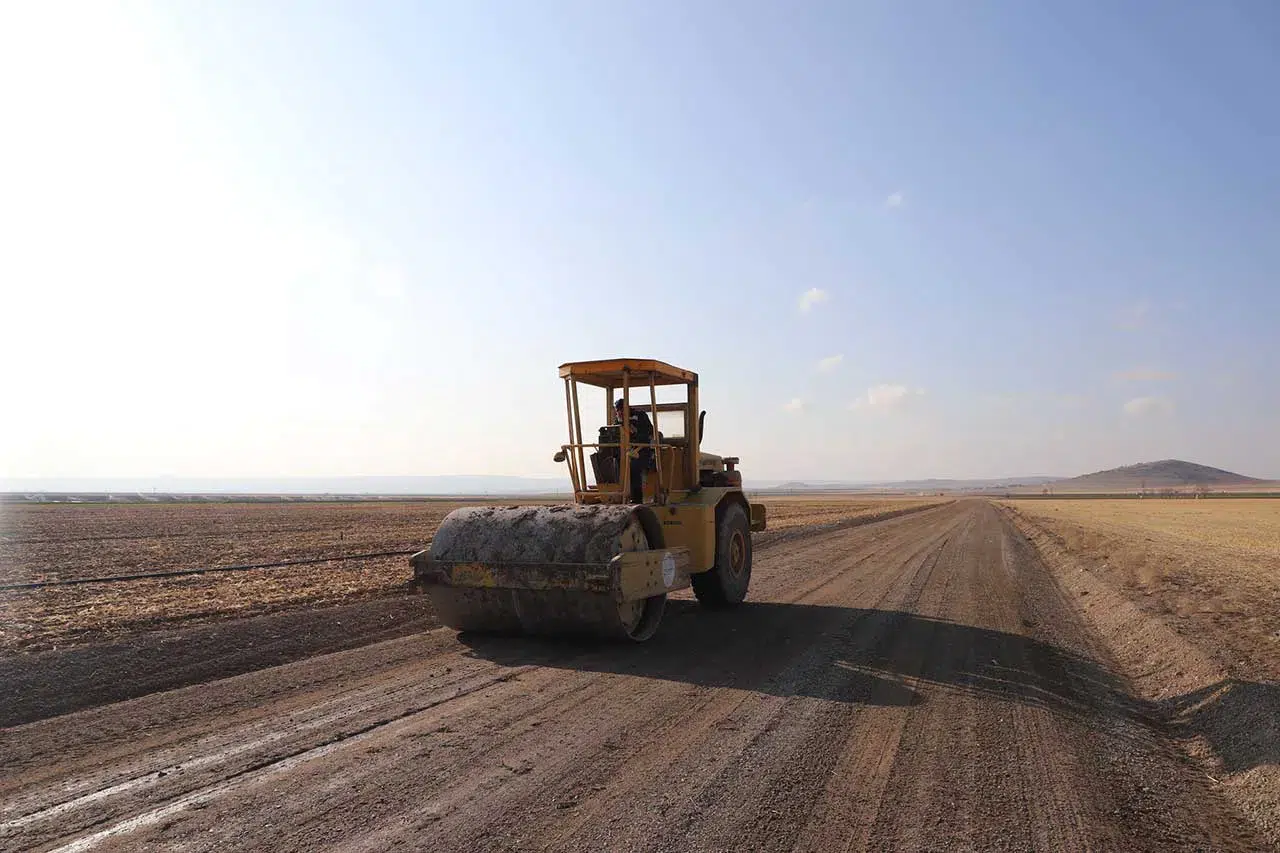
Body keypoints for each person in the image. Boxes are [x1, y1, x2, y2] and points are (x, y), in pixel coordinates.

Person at [615, 398, 654, 503]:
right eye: (618, 410)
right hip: (626, 451)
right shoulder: (618, 420)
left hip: (642, 450)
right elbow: (615, 434)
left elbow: (649, 433)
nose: (620, 412)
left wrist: (634, 430)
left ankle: (636, 499)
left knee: (633, 467)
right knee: (613, 464)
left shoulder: (641, 416)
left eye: (622, 409)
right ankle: (615, 495)